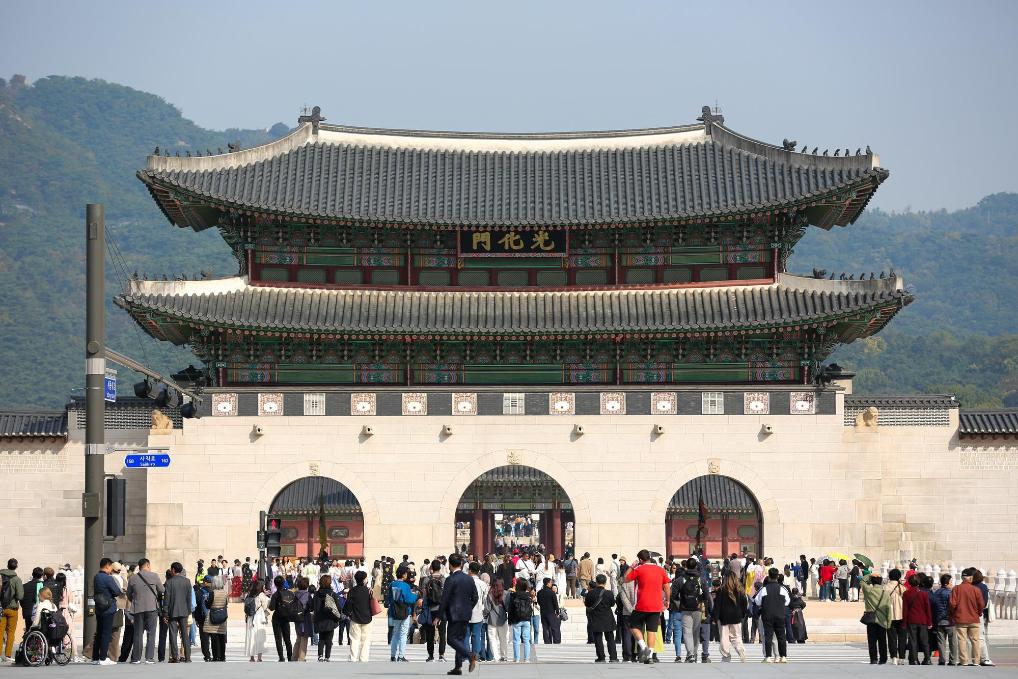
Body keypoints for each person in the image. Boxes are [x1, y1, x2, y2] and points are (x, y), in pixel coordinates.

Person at [624, 548, 671, 664]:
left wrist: (631, 566)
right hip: (656, 605)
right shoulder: (660, 570)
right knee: (651, 631)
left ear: (640, 560)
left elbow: (625, 579)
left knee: (633, 625)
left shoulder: (639, 569)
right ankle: (650, 656)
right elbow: (667, 587)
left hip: (642, 604)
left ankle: (643, 646)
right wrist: (667, 600)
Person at [440, 553, 479, 674]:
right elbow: (475, 597)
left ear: (450, 565)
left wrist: (439, 615)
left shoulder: (450, 579)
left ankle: (470, 655)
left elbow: (444, 599)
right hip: (466, 613)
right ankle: (458, 667)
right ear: (461, 564)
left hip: (454, 614)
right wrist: (468, 607)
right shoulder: (469, 578)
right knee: (460, 640)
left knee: (451, 639)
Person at [125, 558, 163, 665]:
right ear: (148, 565)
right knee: (151, 633)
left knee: (138, 633)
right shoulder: (154, 576)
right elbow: (162, 590)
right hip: (152, 608)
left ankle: (136, 658)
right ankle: (149, 658)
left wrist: (136, 599)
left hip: (138, 609)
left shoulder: (132, 578)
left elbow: (128, 594)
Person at [675, 557, 712, 663]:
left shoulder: (680, 579)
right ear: (696, 566)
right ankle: (694, 654)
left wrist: (680, 604)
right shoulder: (701, 579)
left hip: (685, 609)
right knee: (695, 632)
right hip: (697, 608)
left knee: (687, 632)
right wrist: (702, 603)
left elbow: (673, 594)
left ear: (686, 566)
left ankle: (690, 654)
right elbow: (706, 595)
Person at [949, 567, 984, 667]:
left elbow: (952, 604)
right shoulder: (976, 589)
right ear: (971, 578)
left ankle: (963, 661)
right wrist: (979, 613)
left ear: (962, 578)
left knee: (962, 640)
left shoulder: (956, 589)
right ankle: (976, 661)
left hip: (960, 618)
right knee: (975, 640)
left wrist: (952, 614)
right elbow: (981, 604)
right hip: (974, 618)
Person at [753, 567, 789, 663]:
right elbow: (787, 602)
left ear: (769, 576)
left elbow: (757, 601)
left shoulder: (764, 589)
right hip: (780, 614)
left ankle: (768, 656)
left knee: (768, 636)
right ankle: (783, 656)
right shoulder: (782, 589)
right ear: (777, 576)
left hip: (767, 614)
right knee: (781, 636)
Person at [92, 558, 123, 665]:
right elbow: (117, 591)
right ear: (107, 566)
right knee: (106, 633)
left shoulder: (96, 577)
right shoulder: (108, 578)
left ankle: (95, 658)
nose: (111, 569)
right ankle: (103, 658)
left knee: (99, 633)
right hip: (108, 608)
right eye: (111, 567)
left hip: (99, 607)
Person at [712, 572, 747, 662]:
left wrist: (715, 618)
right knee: (736, 636)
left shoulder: (721, 590)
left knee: (724, 637)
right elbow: (744, 603)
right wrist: (743, 614)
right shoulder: (740, 589)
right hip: (736, 616)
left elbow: (717, 605)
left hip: (724, 617)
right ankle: (740, 649)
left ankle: (726, 655)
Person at [584, 574, 618, 663]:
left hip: (596, 618)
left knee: (598, 638)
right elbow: (612, 604)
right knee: (610, 638)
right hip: (607, 618)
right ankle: (613, 657)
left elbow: (587, 604)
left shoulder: (591, 593)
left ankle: (601, 657)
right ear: (605, 582)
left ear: (597, 582)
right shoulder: (609, 593)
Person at [388, 565, 418, 662]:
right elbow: (409, 599)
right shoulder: (406, 586)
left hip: (394, 611)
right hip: (405, 611)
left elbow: (388, 599)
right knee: (403, 634)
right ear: (404, 574)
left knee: (395, 633)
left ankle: (393, 655)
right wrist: (415, 595)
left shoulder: (392, 584)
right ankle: (401, 656)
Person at [163, 562, 192, 663]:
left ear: (173, 570)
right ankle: (187, 657)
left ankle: (175, 657)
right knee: (185, 635)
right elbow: (189, 598)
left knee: (173, 634)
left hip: (173, 611)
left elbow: (166, 599)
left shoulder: (169, 582)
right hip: (184, 611)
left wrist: (165, 613)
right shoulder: (187, 581)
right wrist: (188, 611)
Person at [344, 570, 374, 662]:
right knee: (366, 640)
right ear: (364, 580)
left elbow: (348, 605)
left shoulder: (352, 591)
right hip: (367, 618)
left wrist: (348, 613)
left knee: (354, 639)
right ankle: (363, 658)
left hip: (355, 618)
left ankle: (353, 658)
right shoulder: (368, 591)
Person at [861, 572, 891, 664]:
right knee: (882, 641)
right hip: (882, 620)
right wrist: (889, 623)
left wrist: (870, 575)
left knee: (872, 641)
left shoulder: (868, 590)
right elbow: (888, 609)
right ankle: (883, 659)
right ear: (881, 582)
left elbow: (862, 581)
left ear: (872, 581)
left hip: (871, 619)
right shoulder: (885, 593)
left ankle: (873, 659)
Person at [420, 560, 447, 661]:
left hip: (430, 609)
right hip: (441, 609)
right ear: (440, 568)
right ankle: (441, 655)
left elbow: (424, 595)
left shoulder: (427, 580)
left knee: (430, 634)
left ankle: (431, 656)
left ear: (431, 567)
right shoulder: (444, 579)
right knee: (442, 633)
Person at [902, 573, 932, 664]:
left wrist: (904, 623)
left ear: (909, 583)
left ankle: (914, 659)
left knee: (913, 640)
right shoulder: (923, 594)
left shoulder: (906, 593)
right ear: (919, 582)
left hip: (911, 619)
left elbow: (905, 609)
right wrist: (929, 622)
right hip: (922, 620)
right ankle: (927, 659)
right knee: (924, 640)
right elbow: (927, 609)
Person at [931, 573, 958, 666]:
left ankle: (942, 660)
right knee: (952, 642)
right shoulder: (950, 593)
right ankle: (952, 660)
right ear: (946, 583)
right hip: (949, 620)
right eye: (951, 582)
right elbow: (952, 606)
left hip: (939, 621)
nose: (952, 584)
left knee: (941, 642)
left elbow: (933, 606)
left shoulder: (936, 593)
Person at [312, 574, 341, 661]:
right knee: (329, 639)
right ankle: (327, 656)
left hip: (320, 619)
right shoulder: (332, 594)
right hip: (330, 619)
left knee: (321, 638)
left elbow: (313, 606)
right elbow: (338, 607)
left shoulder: (317, 594)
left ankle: (320, 655)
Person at [0, 558, 23, 662]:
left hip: (1, 608)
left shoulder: (0, 576)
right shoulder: (16, 579)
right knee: (10, 632)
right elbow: (20, 596)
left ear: (7, 565)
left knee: (0, 632)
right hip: (12, 608)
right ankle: (8, 655)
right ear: (16, 566)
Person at [267, 575, 294, 661]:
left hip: (277, 618)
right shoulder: (290, 593)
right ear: (283, 583)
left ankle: (281, 657)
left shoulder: (275, 594)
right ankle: (290, 657)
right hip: (287, 618)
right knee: (287, 639)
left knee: (278, 639)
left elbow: (271, 608)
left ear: (275, 584)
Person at [506, 579, 533, 663]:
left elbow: (510, 609)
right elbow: (530, 608)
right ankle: (526, 659)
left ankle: (516, 658)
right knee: (526, 640)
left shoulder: (513, 596)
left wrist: (510, 620)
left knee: (516, 640)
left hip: (516, 619)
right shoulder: (528, 596)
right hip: (526, 619)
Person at [202, 576, 228, 662]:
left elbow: (208, 605)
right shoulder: (225, 593)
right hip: (222, 616)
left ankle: (216, 656)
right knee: (221, 637)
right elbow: (226, 603)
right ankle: (222, 656)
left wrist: (206, 601)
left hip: (213, 616)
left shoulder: (213, 593)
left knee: (214, 637)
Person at [884, 568, 907, 665]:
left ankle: (894, 657)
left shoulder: (885, 587)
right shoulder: (902, 588)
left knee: (891, 638)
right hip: (901, 615)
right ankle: (901, 657)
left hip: (889, 616)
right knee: (902, 638)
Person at [972, 570, 994, 667]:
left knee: (971, 638)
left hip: (971, 614)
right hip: (980, 614)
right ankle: (984, 658)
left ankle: (975, 658)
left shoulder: (972, 586)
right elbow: (984, 603)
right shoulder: (983, 587)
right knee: (981, 637)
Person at [244, 580, 270, 662]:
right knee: (259, 636)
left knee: (251, 635)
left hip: (250, 617)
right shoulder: (261, 595)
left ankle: (252, 657)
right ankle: (259, 657)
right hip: (259, 617)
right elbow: (265, 607)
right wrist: (266, 596)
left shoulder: (249, 595)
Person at [484, 578, 509, 662]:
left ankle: (496, 656)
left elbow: (487, 608)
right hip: (502, 619)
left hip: (492, 620)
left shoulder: (490, 594)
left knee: (492, 639)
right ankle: (504, 655)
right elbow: (507, 607)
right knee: (503, 639)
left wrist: (484, 616)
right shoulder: (506, 593)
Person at [292, 577, 312, 662]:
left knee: (298, 638)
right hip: (305, 618)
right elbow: (311, 607)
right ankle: (301, 657)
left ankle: (294, 657)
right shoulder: (307, 595)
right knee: (304, 638)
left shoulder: (294, 594)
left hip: (297, 618)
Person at [193, 576, 213, 662]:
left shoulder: (199, 592)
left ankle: (207, 655)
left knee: (204, 638)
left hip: (202, 618)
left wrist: (197, 619)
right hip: (213, 618)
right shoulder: (213, 592)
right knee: (213, 637)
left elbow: (196, 607)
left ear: (204, 582)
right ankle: (215, 654)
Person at [536, 578, 560, 644]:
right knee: (554, 627)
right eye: (550, 582)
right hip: (551, 612)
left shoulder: (539, 592)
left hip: (543, 612)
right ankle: (556, 641)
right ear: (548, 583)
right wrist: (557, 612)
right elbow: (555, 603)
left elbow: (539, 602)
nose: (551, 584)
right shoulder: (552, 592)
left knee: (545, 627)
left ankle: (547, 641)